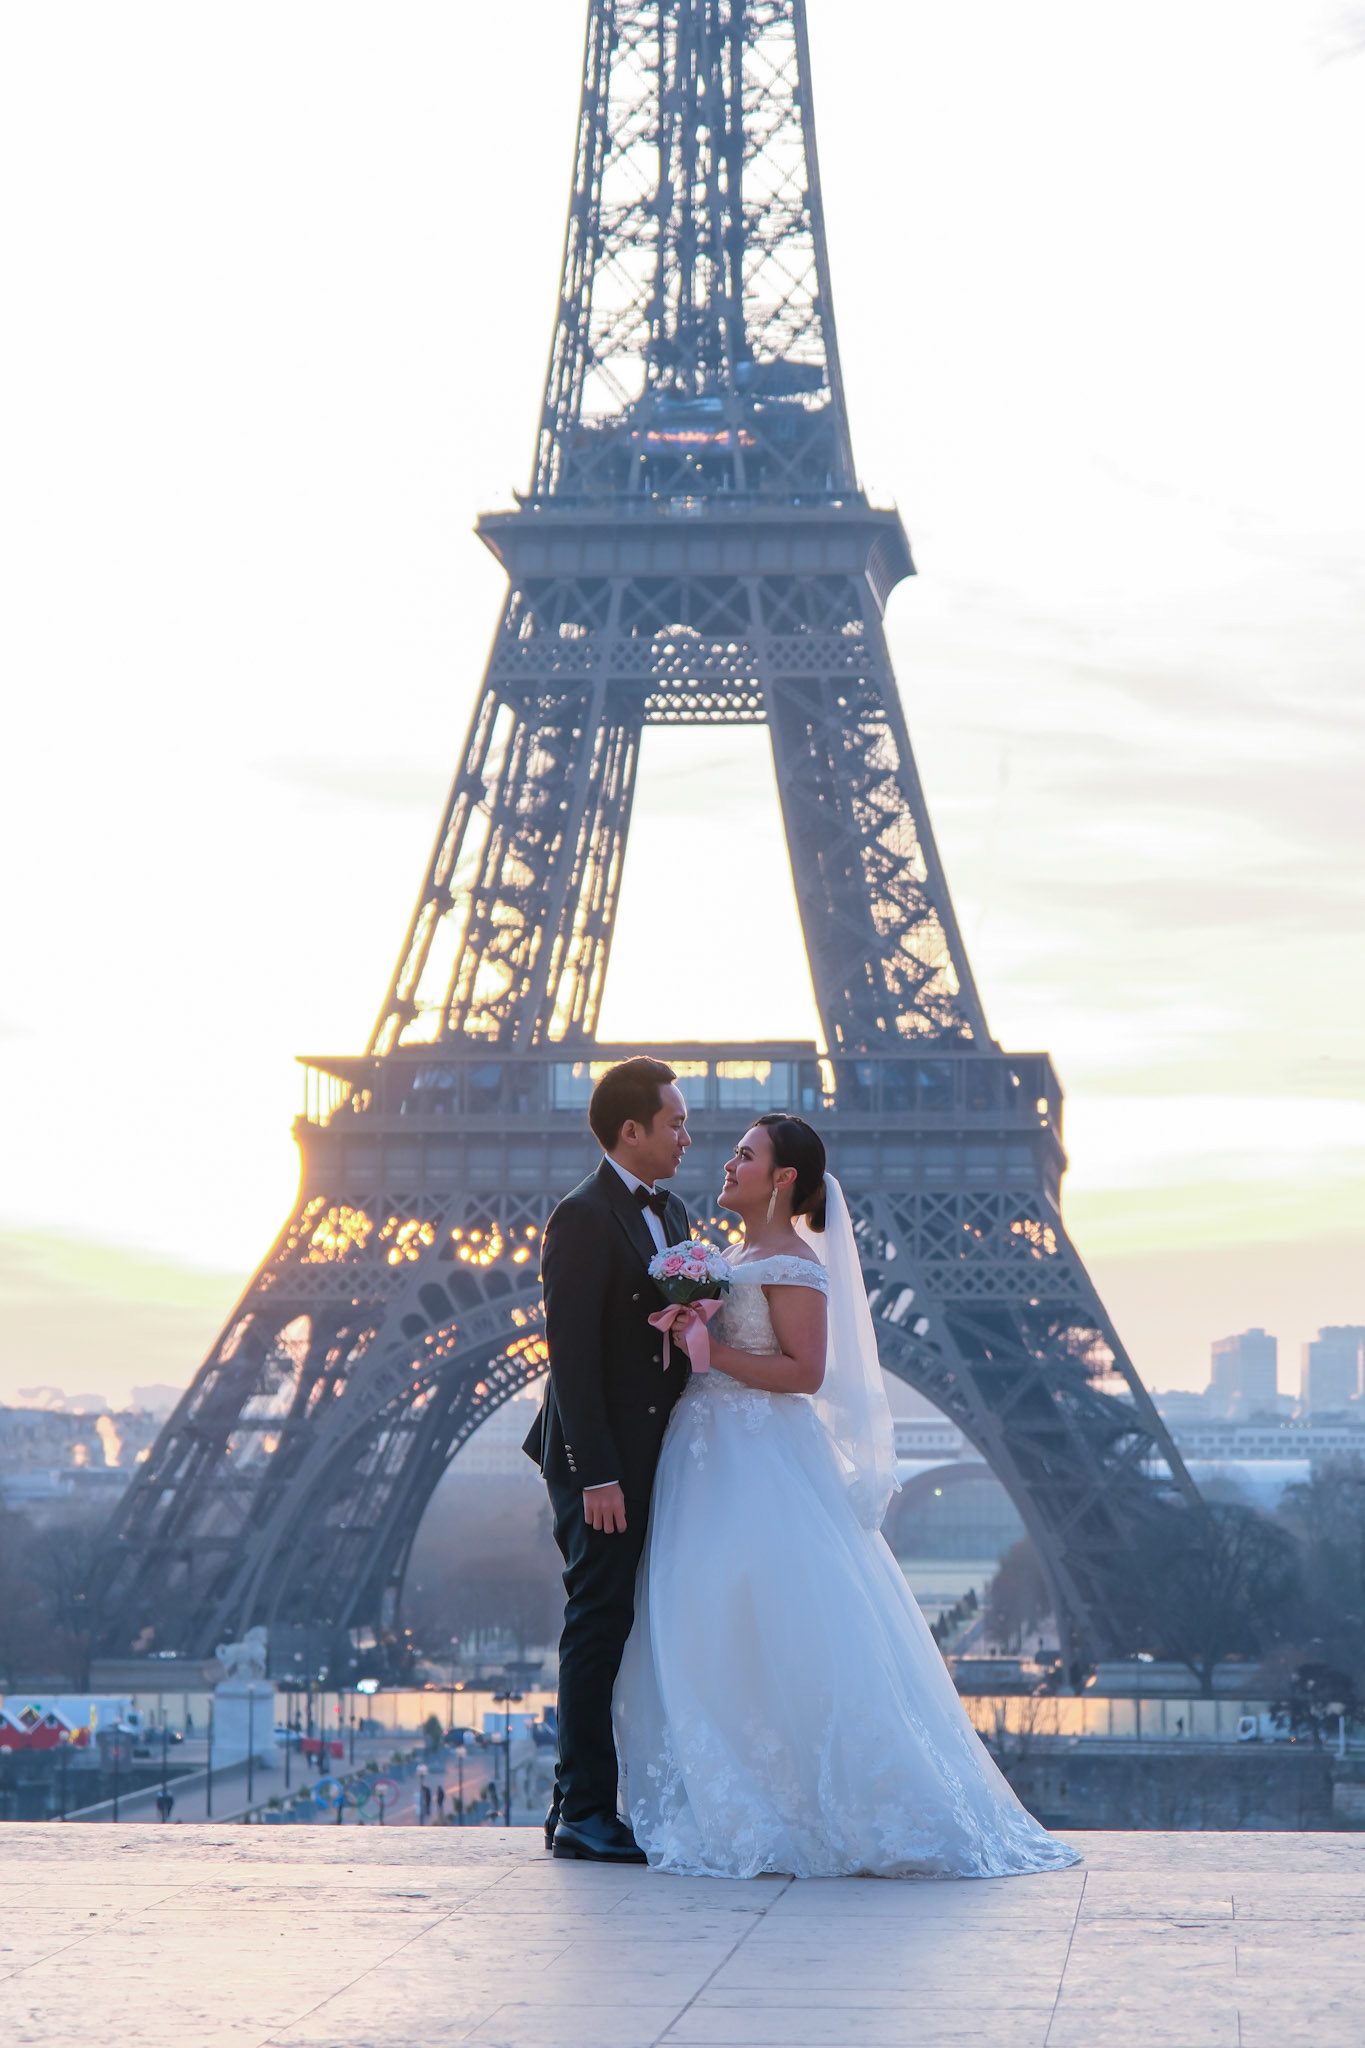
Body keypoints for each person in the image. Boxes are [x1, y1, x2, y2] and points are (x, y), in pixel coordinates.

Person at [613, 1113, 1081, 1880]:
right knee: (710, 1617)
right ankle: (746, 1792)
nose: (727, 1163)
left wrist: (709, 1351)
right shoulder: (732, 1256)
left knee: (762, 1613)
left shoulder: (794, 1264)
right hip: (707, 1457)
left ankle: (798, 1807)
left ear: (783, 1178)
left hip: (755, 1460)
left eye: (744, 1155)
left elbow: (805, 1372)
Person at [523, 1056, 691, 1862]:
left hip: (656, 1452)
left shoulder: (673, 1211)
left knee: (623, 1622)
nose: (687, 1136)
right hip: (602, 1464)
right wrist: (597, 1474)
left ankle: (574, 1801)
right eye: (675, 1123)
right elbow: (572, 1357)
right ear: (632, 1130)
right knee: (597, 1623)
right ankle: (587, 1810)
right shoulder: (582, 1216)